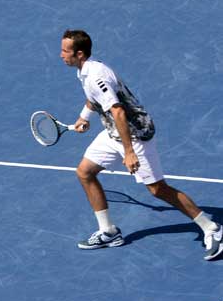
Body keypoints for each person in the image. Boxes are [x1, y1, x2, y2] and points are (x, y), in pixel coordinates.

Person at [60, 29, 222, 261]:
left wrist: (129, 152)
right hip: (114, 133)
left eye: (65, 51)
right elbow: (93, 98)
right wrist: (84, 117)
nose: (60, 55)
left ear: (80, 53)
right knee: (85, 172)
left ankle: (212, 228)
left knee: (158, 189)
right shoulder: (84, 71)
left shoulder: (97, 76)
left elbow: (118, 112)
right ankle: (109, 232)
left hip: (134, 135)